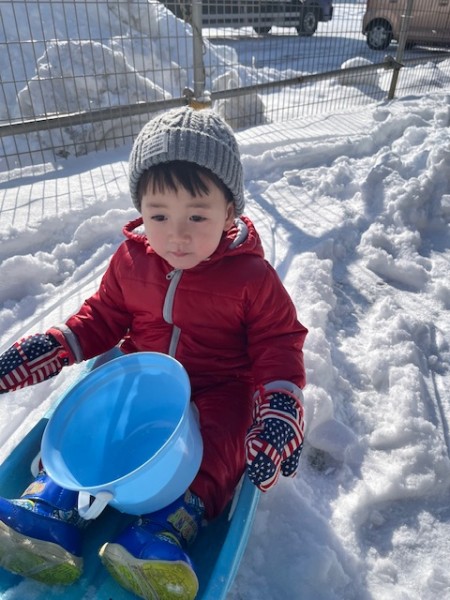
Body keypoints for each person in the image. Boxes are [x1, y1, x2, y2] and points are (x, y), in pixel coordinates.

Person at [0, 106, 307, 600]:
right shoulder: (132, 260)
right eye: (159, 215)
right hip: (144, 377)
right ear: (140, 210)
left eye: (197, 216)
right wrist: (51, 346)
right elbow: (101, 317)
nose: (176, 235)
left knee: (225, 437)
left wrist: (280, 406)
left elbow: (278, 342)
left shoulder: (252, 279)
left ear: (230, 213)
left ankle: (165, 526)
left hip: (219, 384)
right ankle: (54, 503)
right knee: (102, 416)